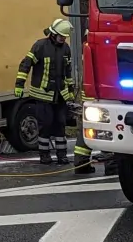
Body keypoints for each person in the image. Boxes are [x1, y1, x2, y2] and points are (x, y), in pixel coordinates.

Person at [15, 18, 91, 172]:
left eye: (64, 37)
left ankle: (62, 156)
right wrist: (19, 85)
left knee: (60, 125)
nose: (63, 39)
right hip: (43, 95)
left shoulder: (66, 49)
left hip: (60, 95)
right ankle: (44, 155)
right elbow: (26, 64)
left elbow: (67, 72)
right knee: (46, 125)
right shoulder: (40, 46)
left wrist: (69, 91)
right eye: (61, 36)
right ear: (53, 34)